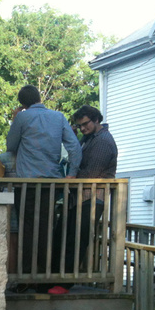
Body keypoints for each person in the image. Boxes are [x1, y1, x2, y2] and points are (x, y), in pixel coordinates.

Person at [5, 85, 82, 275]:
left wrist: (16, 119)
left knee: (27, 228)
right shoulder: (58, 117)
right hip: (51, 183)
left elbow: (11, 145)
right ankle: (44, 274)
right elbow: (75, 148)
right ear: (39, 97)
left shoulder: (23, 117)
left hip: (28, 183)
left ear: (23, 103)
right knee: (47, 227)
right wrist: (71, 174)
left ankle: (28, 274)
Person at [48, 106, 119, 293]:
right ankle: (53, 279)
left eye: (85, 124)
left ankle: (64, 284)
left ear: (96, 120)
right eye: (79, 126)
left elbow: (91, 174)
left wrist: (70, 177)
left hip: (93, 199)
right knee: (62, 236)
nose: (82, 129)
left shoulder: (103, 141)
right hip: (79, 198)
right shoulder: (88, 139)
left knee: (77, 240)